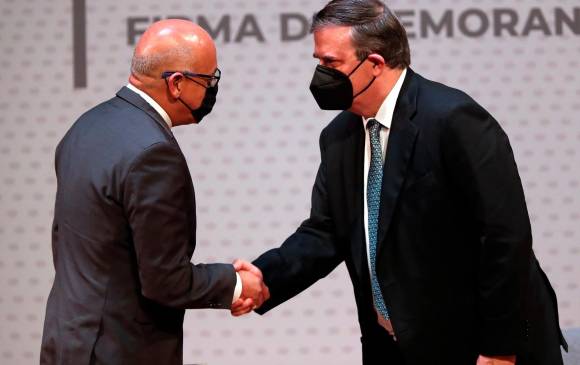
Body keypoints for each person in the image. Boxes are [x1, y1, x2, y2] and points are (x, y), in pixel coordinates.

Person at [233, 1, 568, 364]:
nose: (319, 73)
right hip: (394, 345)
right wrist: (265, 277)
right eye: (318, 61)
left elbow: (504, 237)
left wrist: (499, 347)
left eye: (330, 63)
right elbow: (326, 232)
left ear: (375, 64)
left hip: (478, 345)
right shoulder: (339, 137)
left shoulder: (454, 119)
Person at [40, 19, 268, 365]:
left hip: (66, 342)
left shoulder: (85, 126)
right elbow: (165, 280)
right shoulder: (153, 154)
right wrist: (235, 284)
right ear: (177, 84)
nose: (212, 90)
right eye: (209, 80)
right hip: (120, 350)